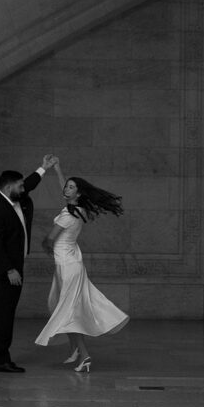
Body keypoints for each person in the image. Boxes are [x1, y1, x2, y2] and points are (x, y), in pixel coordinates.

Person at [35, 159, 129, 372]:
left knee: (68, 313)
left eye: (70, 187)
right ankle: (75, 350)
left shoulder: (69, 214)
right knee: (65, 309)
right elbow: (65, 189)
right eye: (66, 186)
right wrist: (58, 168)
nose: (66, 189)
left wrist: (46, 247)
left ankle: (84, 356)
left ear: (77, 194)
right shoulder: (76, 208)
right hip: (68, 265)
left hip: (69, 267)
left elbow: (50, 238)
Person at [0, 154, 57, 372]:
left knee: (3, 313)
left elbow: (30, 185)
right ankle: (1, 360)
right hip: (6, 271)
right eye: (19, 186)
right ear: (8, 188)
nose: (24, 189)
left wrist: (43, 168)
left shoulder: (17, 199)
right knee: (5, 315)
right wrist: (10, 270)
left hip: (14, 267)